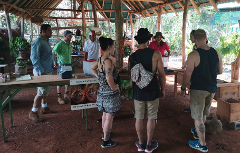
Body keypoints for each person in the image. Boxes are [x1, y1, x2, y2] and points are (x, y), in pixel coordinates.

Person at [181, 29, 223, 152]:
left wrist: (183, 88)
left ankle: (202, 144)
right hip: (211, 88)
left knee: (197, 117)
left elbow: (187, 75)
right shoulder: (217, 53)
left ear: (194, 39)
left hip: (198, 89)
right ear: (205, 38)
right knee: (204, 114)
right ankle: (197, 132)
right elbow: (220, 71)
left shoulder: (193, 55)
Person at [129, 28, 166, 153]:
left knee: (138, 117)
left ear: (138, 41)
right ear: (149, 40)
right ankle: (149, 145)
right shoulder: (156, 54)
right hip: (152, 89)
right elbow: (162, 74)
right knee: (151, 117)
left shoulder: (132, 56)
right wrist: (163, 90)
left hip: (138, 90)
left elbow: (132, 77)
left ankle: (140, 143)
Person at [90, 36, 121, 148]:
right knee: (109, 117)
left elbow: (92, 68)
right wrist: (113, 88)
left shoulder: (100, 60)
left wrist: (99, 77)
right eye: (114, 46)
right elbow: (109, 78)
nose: (114, 48)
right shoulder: (108, 61)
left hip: (102, 92)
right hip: (109, 93)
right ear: (109, 47)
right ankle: (106, 141)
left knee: (104, 114)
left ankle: (104, 135)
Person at [29, 24, 56, 122]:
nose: (51, 32)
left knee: (45, 91)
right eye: (49, 30)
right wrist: (41, 71)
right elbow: (34, 58)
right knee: (40, 92)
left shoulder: (45, 41)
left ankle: (44, 108)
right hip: (41, 72)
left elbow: (47, 56)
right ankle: (33, 111)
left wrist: (52, 64)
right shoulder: (37, 42)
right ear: (43, 31)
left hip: (47, 70)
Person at [53, 30, 74, 104]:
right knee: (60, 81)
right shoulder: (60, 44)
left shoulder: (70, 44)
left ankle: (66, 94)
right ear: (65, 36)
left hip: (69, 64)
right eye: (70, 35)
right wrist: (54, 61)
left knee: (68, 80)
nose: (71, 36)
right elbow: (53, 52)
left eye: (71, 35)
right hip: (61, 65)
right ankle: (59, 97)